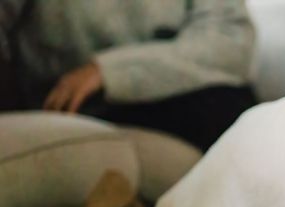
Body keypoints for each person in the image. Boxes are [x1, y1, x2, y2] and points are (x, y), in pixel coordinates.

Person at [0, 0, 256, 150]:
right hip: (68, 110)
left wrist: (106, 71)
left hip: (186, 93)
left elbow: (230, 42)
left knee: (238, 117)